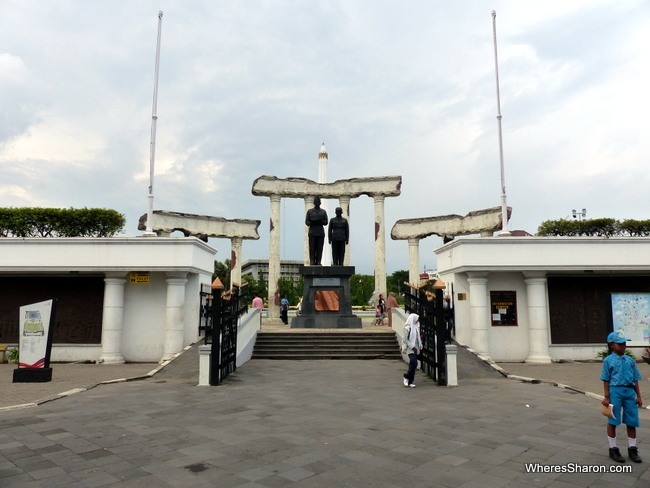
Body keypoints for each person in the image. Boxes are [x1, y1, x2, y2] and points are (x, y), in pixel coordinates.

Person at [600, 330, 643, 463]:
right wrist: (607, 396)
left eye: (624, 343)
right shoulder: (608, 360)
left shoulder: (630, 360)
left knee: (632, 420)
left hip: (629, 392)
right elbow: (605, 379)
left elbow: (635, 378)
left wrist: (639, 396)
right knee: (613, 420)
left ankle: (632, 449)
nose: (623, 346)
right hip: (615, 391)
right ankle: (613, 448)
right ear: (612, 345)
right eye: (620, 344)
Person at [305, 196, 328, 265]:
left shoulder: (323, 212)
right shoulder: (310, 211)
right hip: (312, 232)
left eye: (318, 202)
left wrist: (320, 221)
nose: (317, 203)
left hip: (320, 232)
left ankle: (318, 261)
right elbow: (307, 222)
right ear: (314, 203)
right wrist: (312, 222)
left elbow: (326, 222)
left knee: (319, 248)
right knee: (312, 247)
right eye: (316, 202)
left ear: (320, 203)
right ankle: (312, 261)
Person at [402, 313, 422, 387]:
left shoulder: (416, 327)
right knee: (414, 362)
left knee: (412, 364)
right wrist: (412, 347)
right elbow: (405, 339)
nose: (418, 320)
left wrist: (419, 345)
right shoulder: (407, 328)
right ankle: (406, 376)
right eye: (417, 319)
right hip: (410, 349)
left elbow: (417, 338)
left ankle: (410, 381)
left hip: (416, 348)